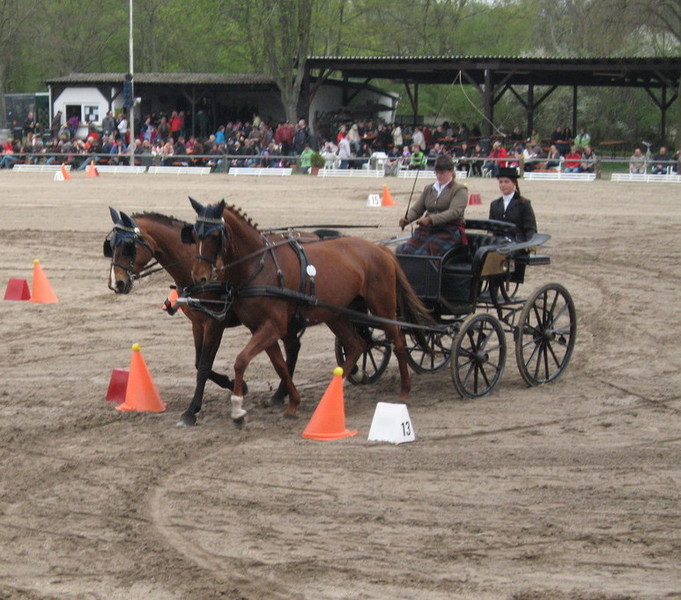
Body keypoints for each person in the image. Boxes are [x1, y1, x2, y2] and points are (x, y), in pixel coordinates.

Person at [397, 154, 468, 255]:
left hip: (449, 231)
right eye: (436, 172)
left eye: (442, 173)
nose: (438, 176)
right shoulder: (429, 189)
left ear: (451, 171)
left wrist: (431, 219)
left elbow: (454, 212)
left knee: (425, 252)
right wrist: (407, 219)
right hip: (428, 230)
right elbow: (417, 209)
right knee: (405, 250)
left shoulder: (460, 190)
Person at [488, 167, 537, 242]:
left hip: (518, 243)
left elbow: (530, 229)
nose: (503, 185)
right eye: (500, 182)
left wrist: (529, 244)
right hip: (498, 243)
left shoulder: (523, 203)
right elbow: (491, 228)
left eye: (506, 182)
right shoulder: (494, 204)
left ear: (514, 183)